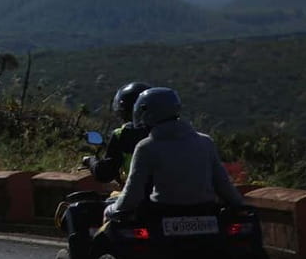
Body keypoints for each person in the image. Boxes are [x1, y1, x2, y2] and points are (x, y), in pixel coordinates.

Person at [107, 87, 243, 218]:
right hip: (204, 211)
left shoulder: (146, 147)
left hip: (162, 213)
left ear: (145, 112)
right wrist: (239, 206)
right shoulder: (205, 142)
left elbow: (133, 195)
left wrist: (111, 209)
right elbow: (224, 186)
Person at [83, 82, 151, 184]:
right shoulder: (174, 131)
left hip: (139, 195)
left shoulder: (123, 134)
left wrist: (90, 161)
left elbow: (105, 174)